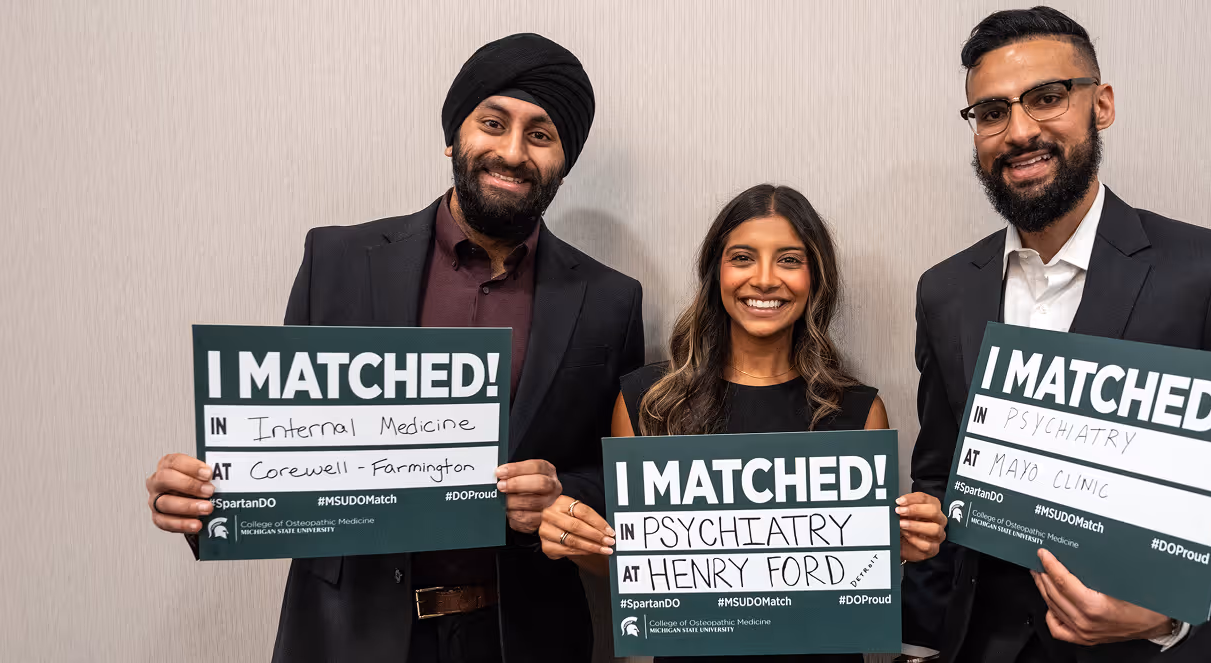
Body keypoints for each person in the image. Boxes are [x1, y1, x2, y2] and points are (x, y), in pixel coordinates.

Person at [143, 33, 644, 662]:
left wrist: (560, 491)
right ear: (453, 135)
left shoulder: (610, 299)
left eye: (540, 135)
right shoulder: (339, 261)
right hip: (346, 632)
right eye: (493, 123)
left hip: (523, 634)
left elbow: (624, 480)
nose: (513, 152)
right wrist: (204, 500)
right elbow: (283, 443)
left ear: (563, 161)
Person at [899, 7, 1211, 663]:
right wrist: (925, 523)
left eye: (1047, 98)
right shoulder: (944, 291)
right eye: (992, 112)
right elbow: (943, 475)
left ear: (1101, 103)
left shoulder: (1207, 272)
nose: (1020, 130)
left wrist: (1165, 608)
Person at [537, 184, 949, 662]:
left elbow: (861, 574)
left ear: (816, 278)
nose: (766, 279)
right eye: (743, 258)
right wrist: (571, 538)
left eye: (790, 260)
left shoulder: (858, 413)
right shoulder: (648, 403)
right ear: (716, 272)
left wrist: (906, 546)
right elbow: (632, 572)